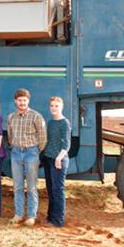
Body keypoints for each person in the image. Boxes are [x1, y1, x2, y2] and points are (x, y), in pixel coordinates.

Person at [7, 88, 47, 227]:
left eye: (24, 100)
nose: (22, 103)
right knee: (17, 186)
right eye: (19, 100)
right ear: (15, 101)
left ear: (28, 101)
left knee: (31, 187)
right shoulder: (11, 117)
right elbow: (10, 136)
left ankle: (31, 216)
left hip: (31, 153)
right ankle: (18, 215)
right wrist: (15, 147)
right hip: (16, 152)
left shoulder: (36, 116)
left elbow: (42, 137)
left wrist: (36, 151)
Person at [42, 96, 71, 227]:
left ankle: (58, 221)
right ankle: (50, 217)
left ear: (61, 107)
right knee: (50, 189)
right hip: (48, 158)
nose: (54, 108)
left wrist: (59, 158)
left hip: (59, 159)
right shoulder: (50, 122)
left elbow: (66, 143)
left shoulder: (65, 123)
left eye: (56, 106)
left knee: (58, 190)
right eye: (52, 106)